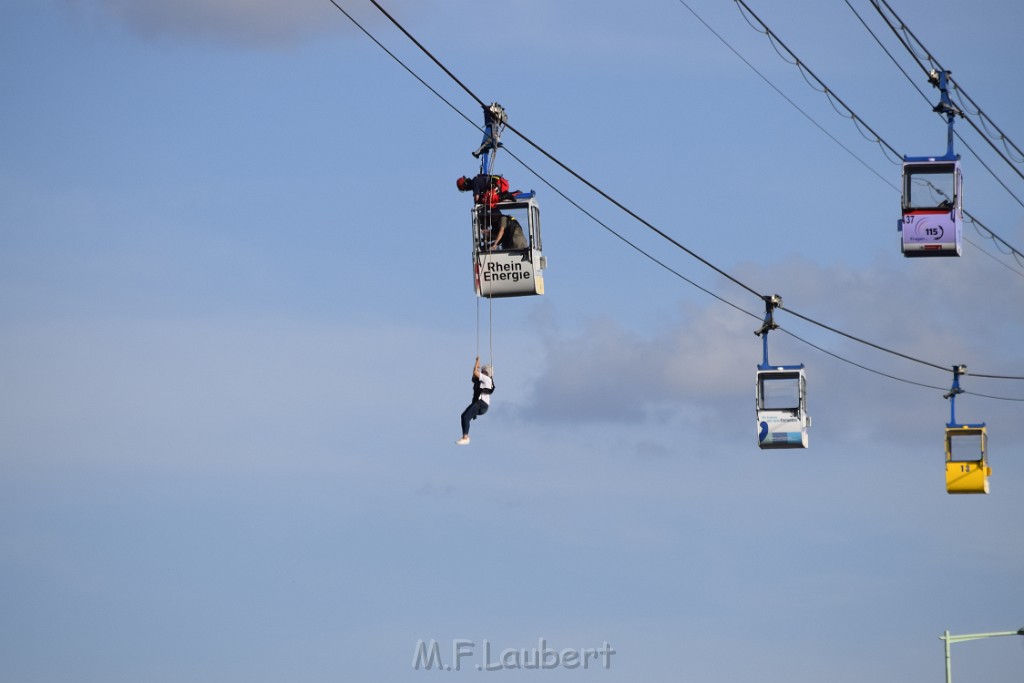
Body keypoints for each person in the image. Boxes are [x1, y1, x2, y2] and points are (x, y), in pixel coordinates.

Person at [455, 357, 493, 445]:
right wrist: (476, 366)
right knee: (464, 416)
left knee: (465, 417)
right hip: (480, 404)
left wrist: (476, 363)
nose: (481, 373)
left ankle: (466, 437)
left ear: (486, 373)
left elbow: (475, 373)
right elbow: (474, 377)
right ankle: (465, 436)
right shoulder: (483, 380)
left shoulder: (487, 379)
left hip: (482, 404)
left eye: (482, 371)